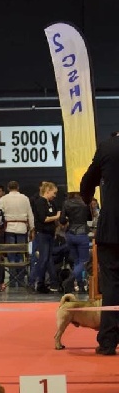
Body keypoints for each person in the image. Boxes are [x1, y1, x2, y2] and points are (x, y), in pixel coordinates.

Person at [80, 131, 119, 355]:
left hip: (112, 227)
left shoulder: (108, 147)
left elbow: (87, 183)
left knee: (111, 284)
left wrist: (88, 201)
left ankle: (108, 341)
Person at [0, 180, 34, 287]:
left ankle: (12, 280)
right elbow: (30, 214)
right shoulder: (25, 198)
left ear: (8, 188)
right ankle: (20, 280)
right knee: (21, 253)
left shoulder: (4, 199)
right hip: (22, 228)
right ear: (18, 187)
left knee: (11, 253)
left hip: (9, 228)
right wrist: (32, 228)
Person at [59, 192, 91, 293]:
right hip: (82, 234)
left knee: (77, 262)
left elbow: (62, 220)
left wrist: (68, 218)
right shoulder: (85, 203)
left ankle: (80, 286)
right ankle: (70, 280)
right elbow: (90, 218)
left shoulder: (66, 203)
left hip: (70, 234)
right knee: (84, 261)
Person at [32, 182, 61, 293]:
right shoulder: (40, 202)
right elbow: (44, 218)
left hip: (50, 234)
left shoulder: (51, 203)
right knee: (43, 259)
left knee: (48, 259)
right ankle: (39, 283)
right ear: (47, 191)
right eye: (54, 193)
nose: (55, 195)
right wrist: (56, 217)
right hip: (42, 234)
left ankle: (52, 283)